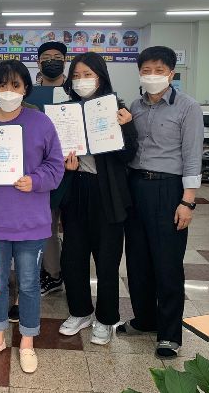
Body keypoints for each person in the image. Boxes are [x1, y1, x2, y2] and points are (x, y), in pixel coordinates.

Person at [0, 59, 64, 374]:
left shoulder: (40, 123)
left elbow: (55, 166)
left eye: (15, 85)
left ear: (25, 89)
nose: (8, 91)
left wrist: (35, 180)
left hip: (31, 221)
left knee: (29, 284)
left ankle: (27, 342)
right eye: (3, 85)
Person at [118, 46, 203, 359]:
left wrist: (188, 202)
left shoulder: (188, 107)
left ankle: (169, 334)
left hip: (168, 189)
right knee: (137, 260)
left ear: (171, 73)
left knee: (167, 264)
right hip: (135, 185)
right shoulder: (134, 107)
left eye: (159, 70)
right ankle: (145, 320)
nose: (152, 75)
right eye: (146, 70)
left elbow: (192, 156)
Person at [57, 52, 138, 345]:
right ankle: (80, 311)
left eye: (88, 75)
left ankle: (105, 319)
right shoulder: (65, 111)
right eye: (76, 76)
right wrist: (65, 165)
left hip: (108, 193)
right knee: (73, 257)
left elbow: (129, 156)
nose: (82, 81)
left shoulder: (117, 109)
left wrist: (126, 126)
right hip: (76, 189)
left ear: (101, 77)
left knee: (106, 261)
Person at [35, 41, 68, 297]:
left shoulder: (74, 92)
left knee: (75, 227)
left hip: (76, 169)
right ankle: (52, 273)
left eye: (58, 57)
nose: (52, 61)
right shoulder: (31, 94)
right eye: (46, 57)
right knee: (47, 224)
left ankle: (69, 272)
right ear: (38, 62)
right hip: (43, 170)